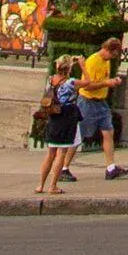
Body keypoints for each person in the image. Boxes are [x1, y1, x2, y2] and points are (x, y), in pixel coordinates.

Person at [75, 35, 127, 178]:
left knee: (108, 132)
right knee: (79, 135)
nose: (113, 57)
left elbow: (103, 79)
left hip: (101, 103)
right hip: (87, 101)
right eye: (113, 54)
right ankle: (64, 167)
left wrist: (112, 81)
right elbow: (88, 85)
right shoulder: (93, 61)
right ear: (107, 49)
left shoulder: (106, 61)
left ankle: (111, 168)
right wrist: (107, 83)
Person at [35, 57, 81, 196]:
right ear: (69, 69)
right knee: (61, 153)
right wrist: (83, 66)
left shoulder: (50, 79)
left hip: (53, 116)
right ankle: (53, 186)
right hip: (65, 117)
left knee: (50, 153)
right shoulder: (70, 82)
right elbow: (89, 82)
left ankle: (40, 185)